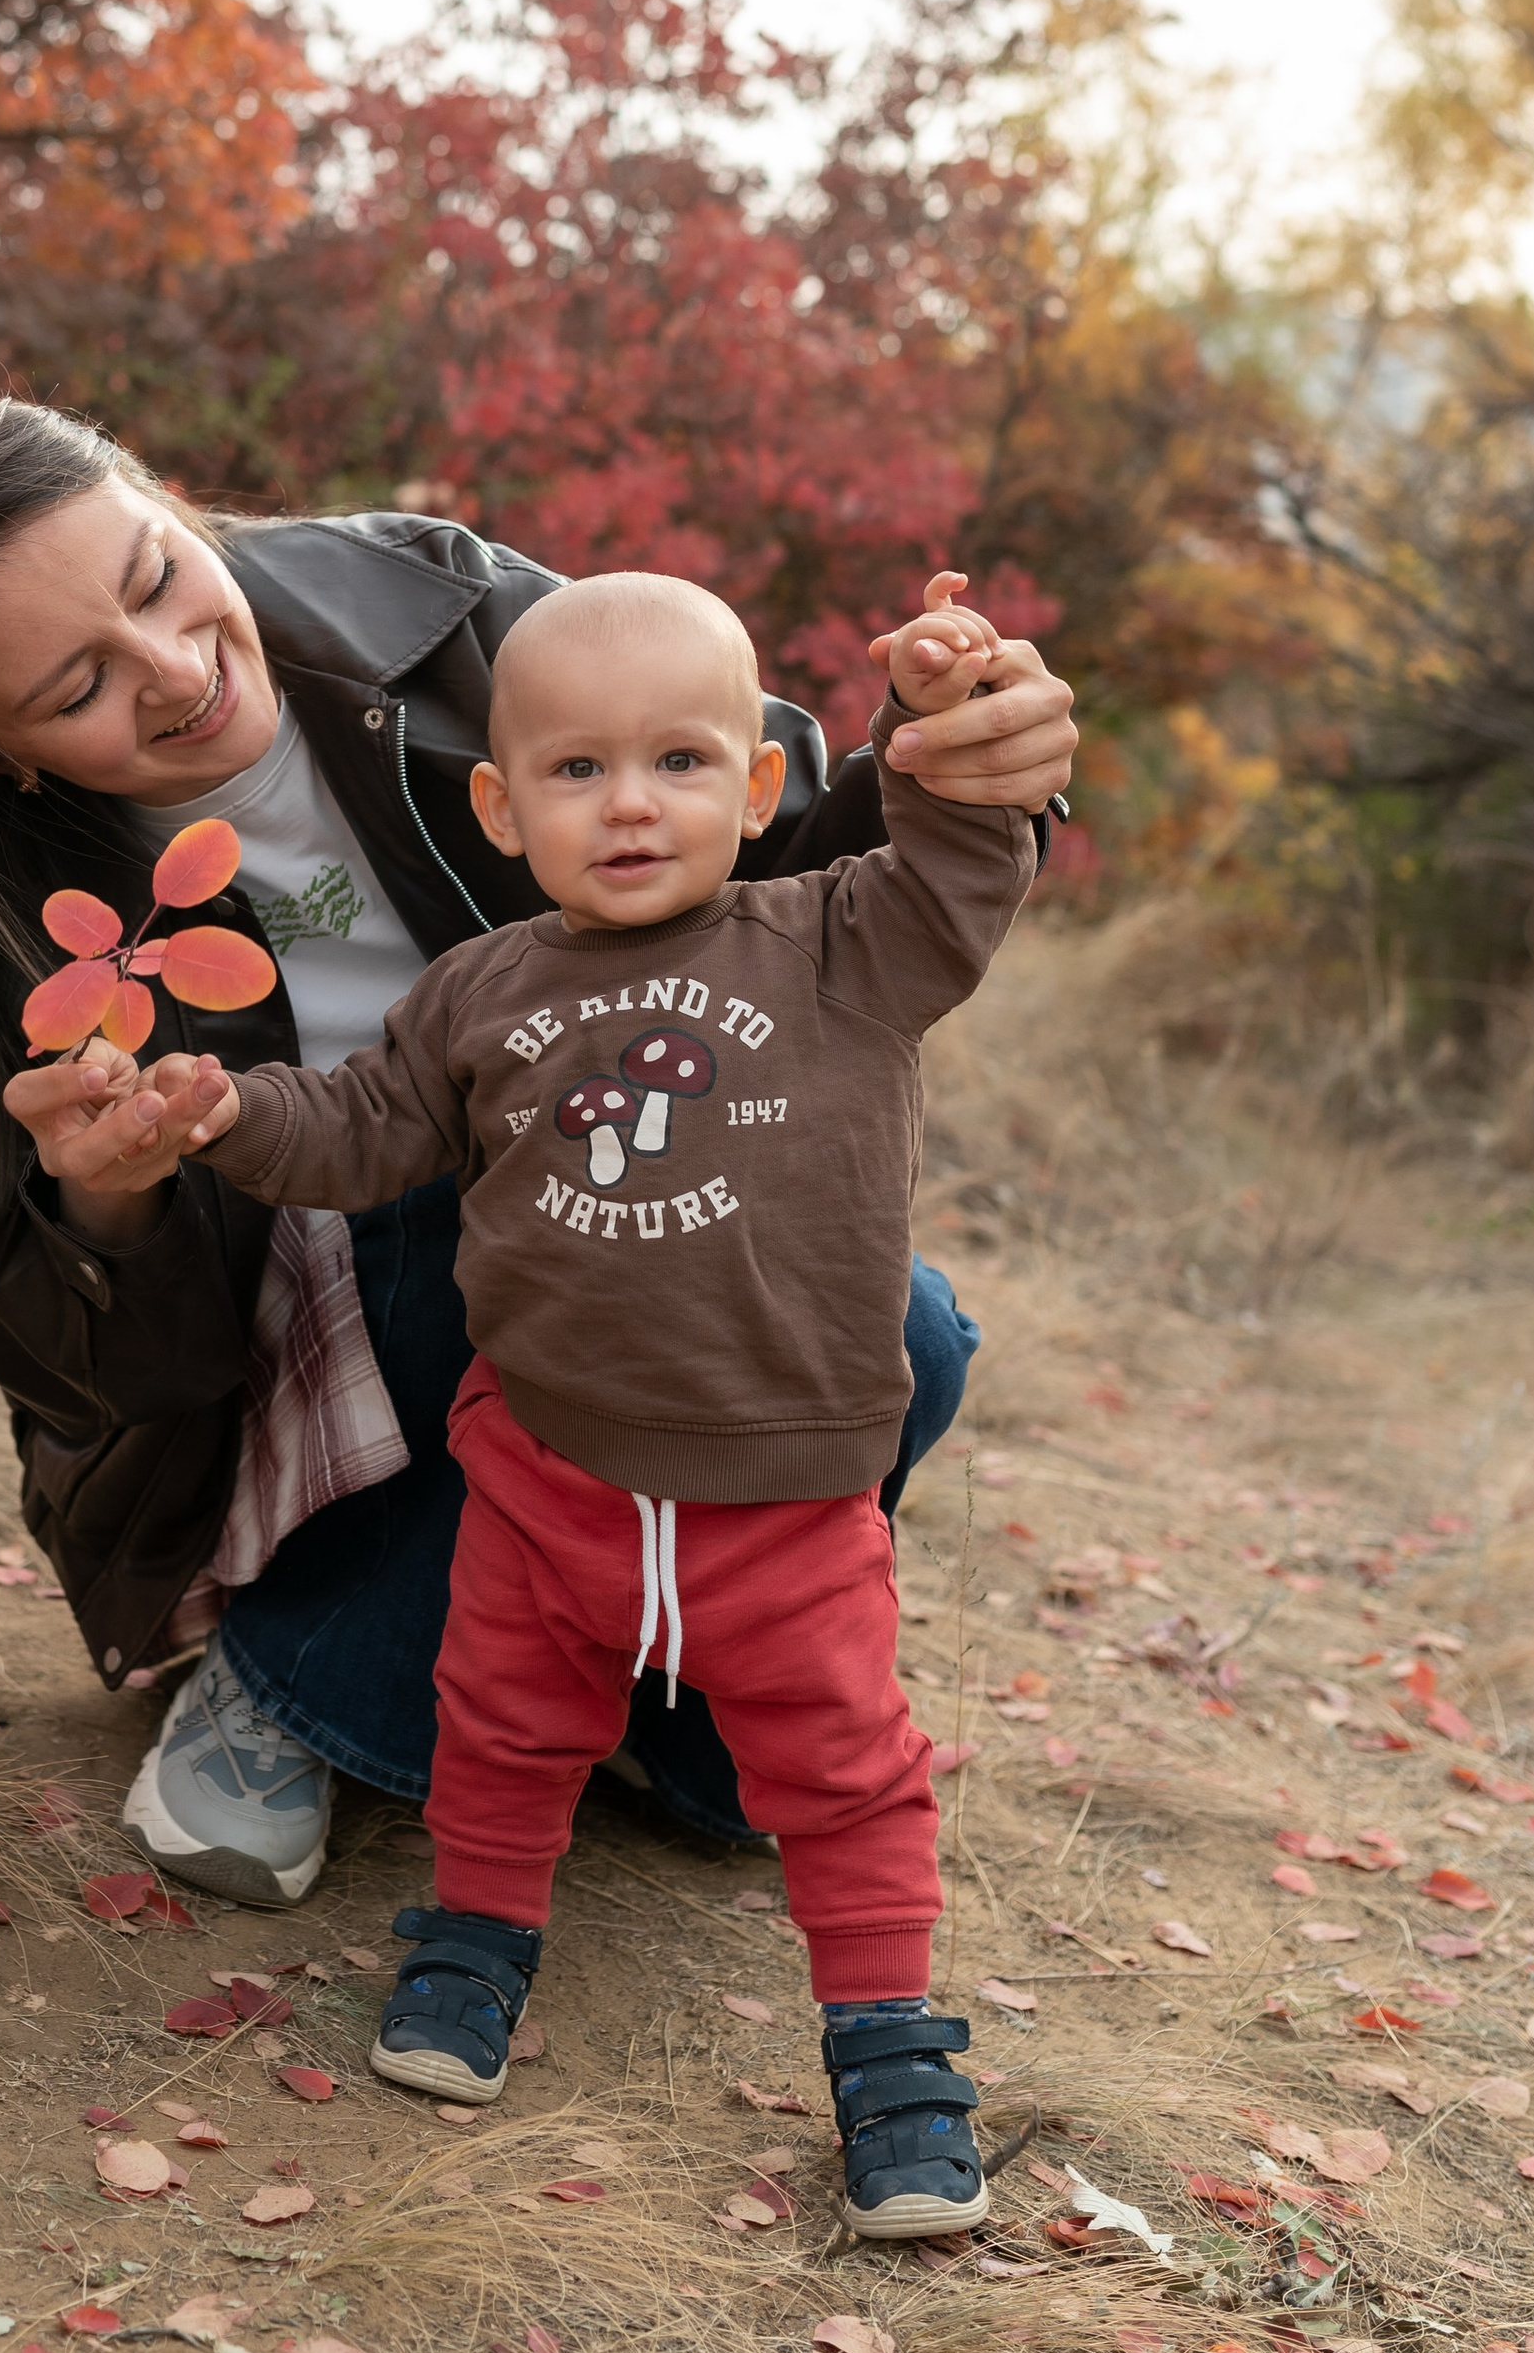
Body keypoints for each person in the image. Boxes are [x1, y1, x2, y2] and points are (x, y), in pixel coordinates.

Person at [0, 401, 1080, 1917]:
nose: (179, 673)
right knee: (484, 1198)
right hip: (309, 1325)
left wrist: (957, 764)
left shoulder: (436, 616)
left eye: (155, 578)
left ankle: (675, 1682)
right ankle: (299, 1679)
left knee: (903, 1332)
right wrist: (107, 1199)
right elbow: (94, 1386)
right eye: (78, 691)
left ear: (170, 496)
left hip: (598, 1228)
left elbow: (771, 875)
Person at [54, 565, 1028, 2238]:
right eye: (577, 772)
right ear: (502, 808)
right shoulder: (482, 991)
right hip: (548, 1477)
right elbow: (358, 1130)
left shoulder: (843, 936)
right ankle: (476, 1944)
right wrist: (221, 1109)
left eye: (679, 762)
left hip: (780, 1501)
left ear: (763, 785)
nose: (630, 804)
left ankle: (886, 2049)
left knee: (847, 1769)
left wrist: (941, 720)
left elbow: (961, 855)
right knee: (504, 1727)